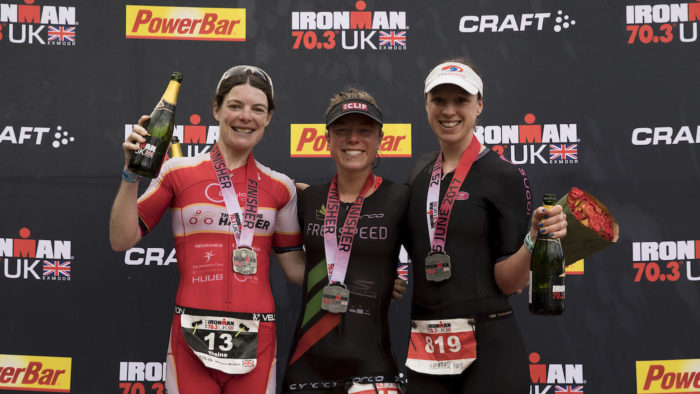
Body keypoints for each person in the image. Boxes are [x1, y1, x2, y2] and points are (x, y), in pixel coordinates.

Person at [109, 65, 306, 394]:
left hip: (256, 341)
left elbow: (295, 268)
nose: (246, 116)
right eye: (234, 106)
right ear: (216, 109)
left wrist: (354, 272)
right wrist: (130, 174)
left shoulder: (280, 187)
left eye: (257, 109)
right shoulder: (177, 172)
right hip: (191, 338)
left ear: (269, 117)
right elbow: (121, 239)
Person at [403, 58, 568, 393]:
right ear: (426, 105)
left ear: (479, 106)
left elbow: (510, 282)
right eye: (439, 100)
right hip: (426, 350)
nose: (449, 111)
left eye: (461, 100)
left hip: (489, 349)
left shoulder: (504, 174)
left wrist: (534, 239)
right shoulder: (419, 173)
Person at [282, 88, 409, 394]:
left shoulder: (400, 198)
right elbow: (297, 267)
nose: (353, 139)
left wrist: (394, 276)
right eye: (342, 131)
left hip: (372, 366)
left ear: (380, 140)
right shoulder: (307, 199)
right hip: (306, 364)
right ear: (328, 140)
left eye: (364, 131)